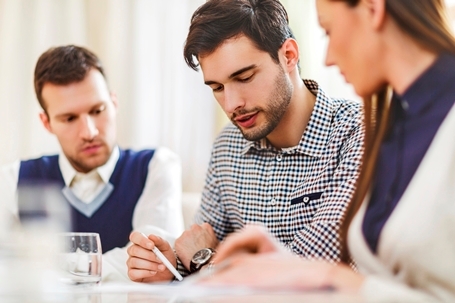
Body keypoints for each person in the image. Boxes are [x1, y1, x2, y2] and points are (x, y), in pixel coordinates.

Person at [190, 0, 455, 302]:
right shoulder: (401, 124)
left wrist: (322, 276)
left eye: (328, 30)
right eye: (217, 87)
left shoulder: (368, 129)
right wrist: (288, 266)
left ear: (372, 8)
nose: (327, 59)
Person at [126, 0, 364, 283]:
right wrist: (172, 268)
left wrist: (202, 261)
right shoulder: (228, 145)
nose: (231, 104)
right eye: (217, 87)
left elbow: (311, 271)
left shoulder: (358, 133)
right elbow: (197, 245)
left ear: (288, 55)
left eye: (245, 77)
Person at [0, 45, 184, 265]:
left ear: (114, 103)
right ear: (46, 123)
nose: (89, 132)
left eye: (97, 111)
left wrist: (54, 269)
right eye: (69, 118)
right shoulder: (12, 180)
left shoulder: (156, 166)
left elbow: (156, 262)